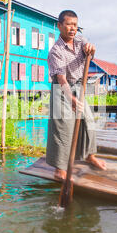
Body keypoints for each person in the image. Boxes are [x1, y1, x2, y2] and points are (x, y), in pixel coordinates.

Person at [46, 10, 106, 180]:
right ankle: (60, 170)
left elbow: (90, 53)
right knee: (63, 127)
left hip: (78, 86)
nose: (72, 28)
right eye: (68, 24)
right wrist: (70, 98)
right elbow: (61, 78)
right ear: (59, 26)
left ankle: (89, 155)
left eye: (75, 24)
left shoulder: (80, 39)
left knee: (88, 120)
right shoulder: (56, 51)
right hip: (62, 88)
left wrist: (91, 49)